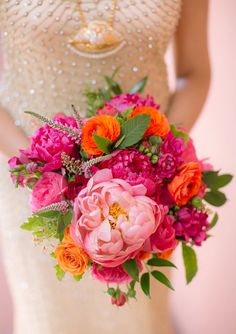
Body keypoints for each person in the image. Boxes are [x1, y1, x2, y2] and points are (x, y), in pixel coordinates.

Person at [0, 1, 210, 333]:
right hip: (35, 188)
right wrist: (47, 170)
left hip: (143, 196)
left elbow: (194, 73)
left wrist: (157, 158)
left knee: (138, 319)